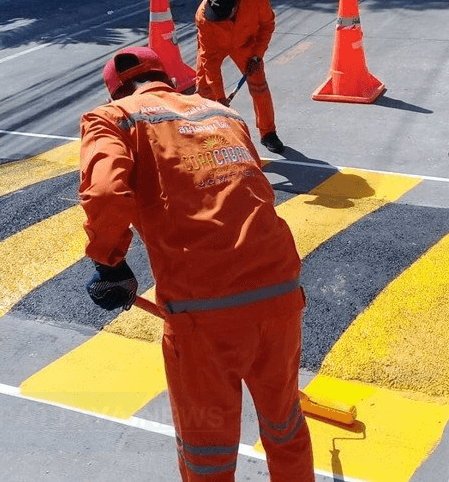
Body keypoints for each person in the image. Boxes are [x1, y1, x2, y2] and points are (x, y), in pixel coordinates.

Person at [79, 47, 315, 482]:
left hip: (204, 315)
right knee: (285, 427)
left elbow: (106, 195)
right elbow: (247, 185)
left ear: (114, 91)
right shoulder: (221, 113)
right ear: (167, 77)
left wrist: (110, 263)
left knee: (209, 454)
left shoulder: (112, 120)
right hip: (281, 292)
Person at [195, 0, 285, 155]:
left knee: (259, 85)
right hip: (215, 47)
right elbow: (210, 62)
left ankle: (268, 133)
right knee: (204, 90)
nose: (219, 19)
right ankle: (204, 132)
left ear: (237, 4)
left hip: (246, 45)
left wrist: (257, 56)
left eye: (223, 15)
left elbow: (267, 26)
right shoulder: (204, 16)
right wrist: (220, 99)